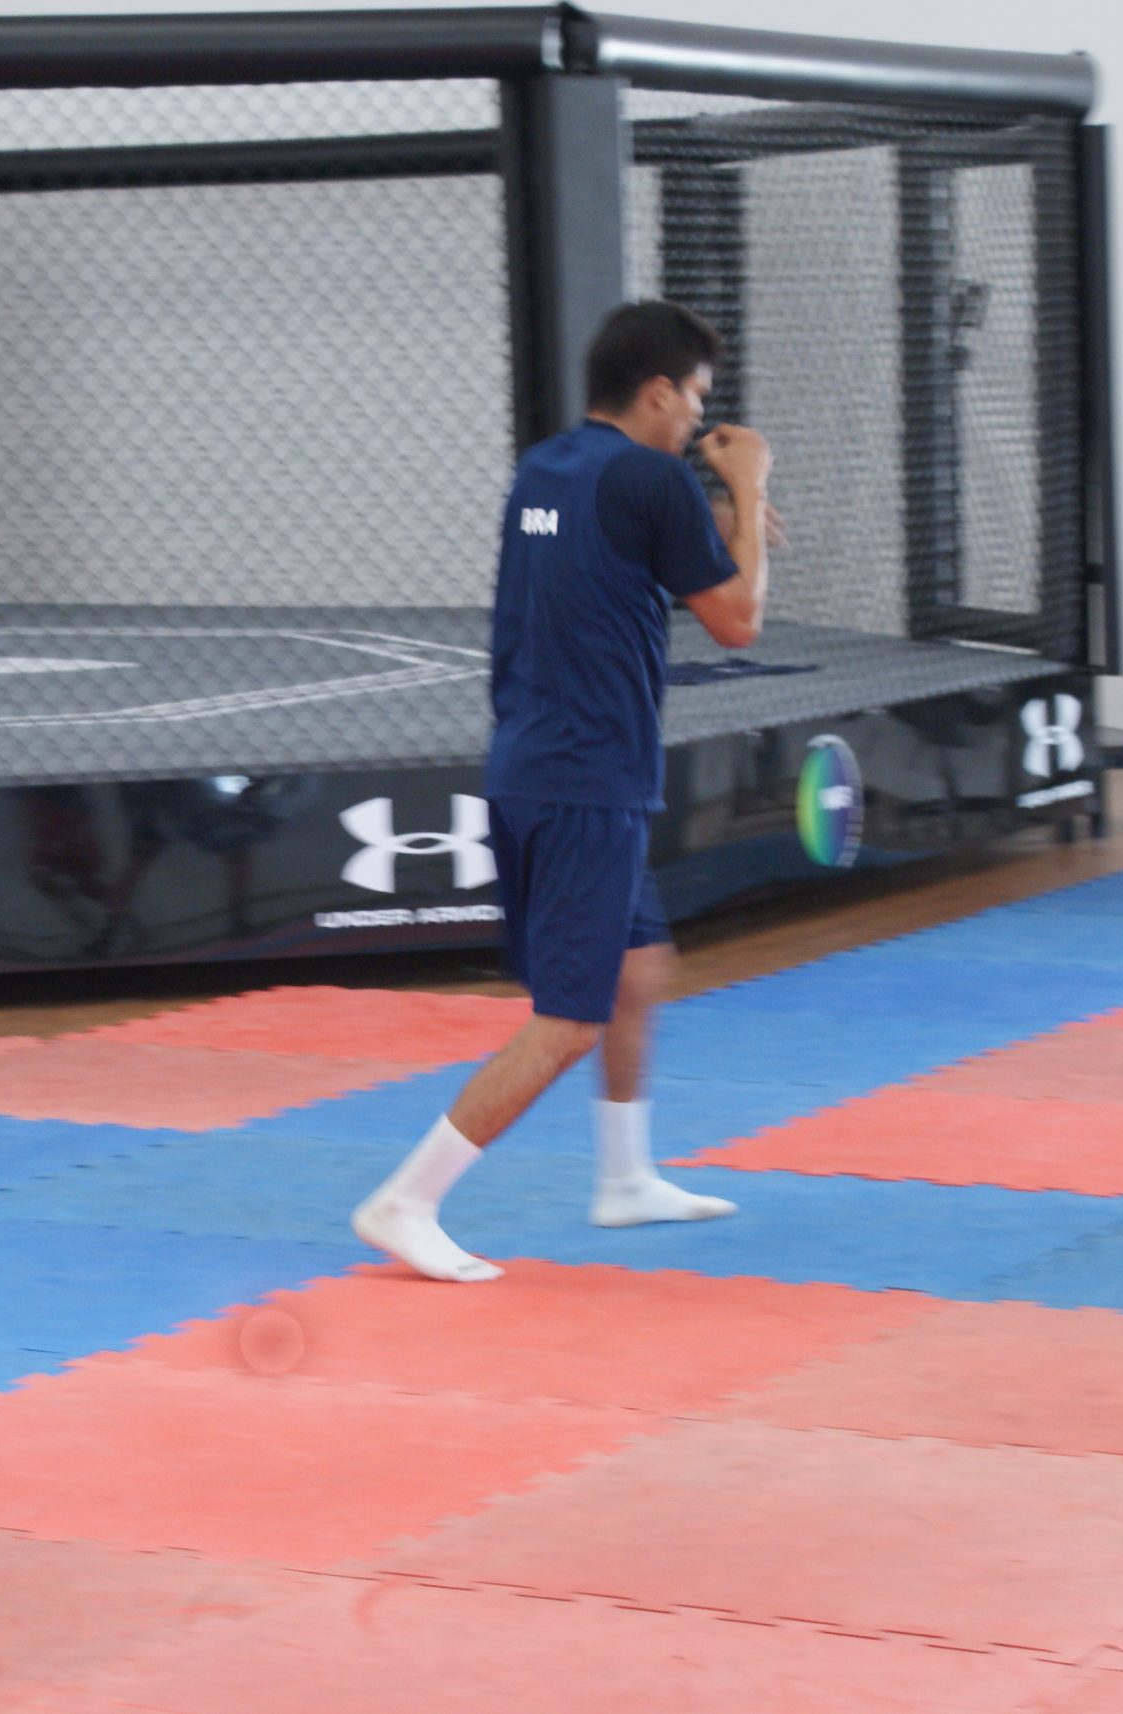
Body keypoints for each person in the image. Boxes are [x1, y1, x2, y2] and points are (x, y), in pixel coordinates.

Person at [351, 300, 773, 1283]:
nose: (696, 419)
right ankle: (404, 1200)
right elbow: (739, 621)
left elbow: (617, 548)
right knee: (568, 1019)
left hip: (535, 758)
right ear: (660, 390)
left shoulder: (546, 466)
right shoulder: (658, 478)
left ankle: (623, 1177)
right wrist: (746, 491)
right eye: (695, 398)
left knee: (639, 965)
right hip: (587, 776)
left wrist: (709, 517)